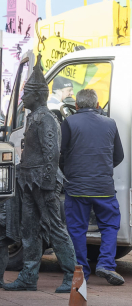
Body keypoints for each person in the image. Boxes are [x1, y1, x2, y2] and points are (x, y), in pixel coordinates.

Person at [4, 57, 77, 293]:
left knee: (55, 228)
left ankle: (72, 276)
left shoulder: (46, 119)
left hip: (42, 182)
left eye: (26, 94)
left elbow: (52, 154)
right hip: (28, 182)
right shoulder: (33, 117)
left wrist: (47, 183)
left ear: (37, 96)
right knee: (29, 230)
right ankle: (28, 276)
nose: (23, 98)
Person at [61, 88, 125, 286]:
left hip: (76, 188)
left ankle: (81, 272)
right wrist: (103, 169)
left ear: (76, 105)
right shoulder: (110, 123)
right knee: (110, 225)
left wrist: (68, 171)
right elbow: (119, 156)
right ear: (97, 105)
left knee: (77, 229)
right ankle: (106, 264)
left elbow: (59, 153)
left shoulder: (69, 122)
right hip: (103, 188)